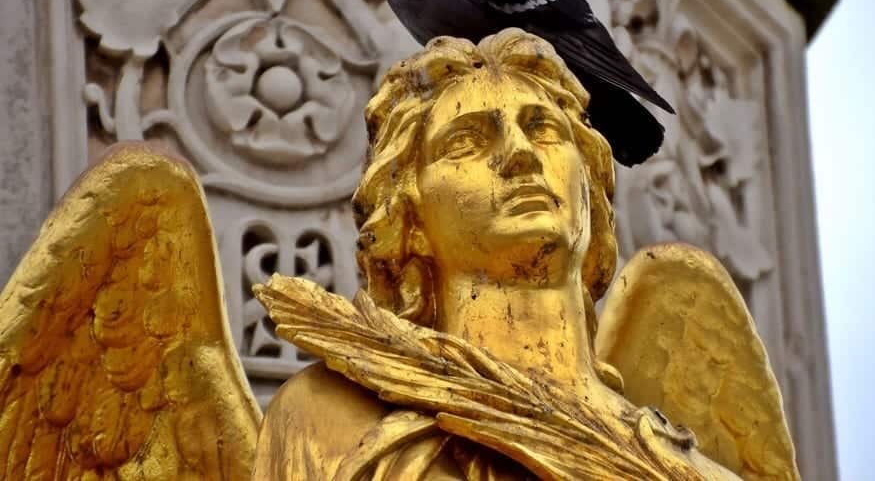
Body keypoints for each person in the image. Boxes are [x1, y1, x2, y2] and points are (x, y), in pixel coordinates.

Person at [253, 29, 738, 479]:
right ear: (409, 217)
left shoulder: (694, 473)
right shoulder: (330, 422)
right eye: (466, 141)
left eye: (543, 129)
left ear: (590, 189)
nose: (521, 153)